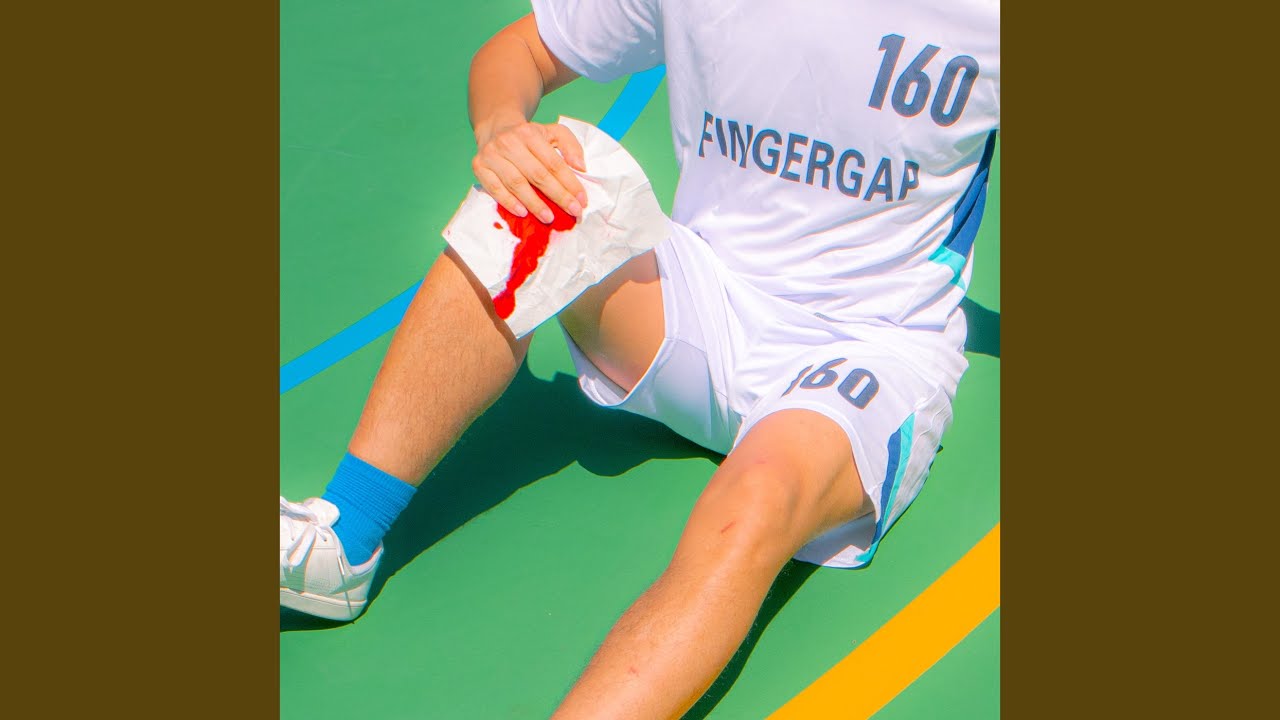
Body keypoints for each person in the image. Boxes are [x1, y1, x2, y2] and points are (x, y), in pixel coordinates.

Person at [279, 0, 1000, 717]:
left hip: (865, 346)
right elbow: (522, 51)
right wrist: (504, 133)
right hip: (696, 304)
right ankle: (344, 537)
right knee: (544, 181)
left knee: (758, 497)